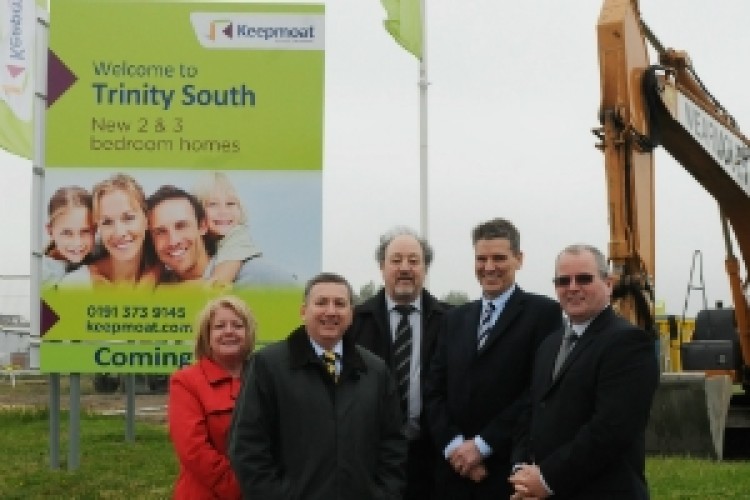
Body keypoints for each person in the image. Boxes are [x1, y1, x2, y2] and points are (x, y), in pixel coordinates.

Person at [228, 272, 407, 499]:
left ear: (351, 314)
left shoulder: (375, 371)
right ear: (303, 311)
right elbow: (247, 447)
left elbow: (393, 445)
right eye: (321, 302)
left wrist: (383, 494)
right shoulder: (268, 366)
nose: (330, 311)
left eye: (340, 304)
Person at [424, 217, 563, 499]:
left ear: (519, 259)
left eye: (499, 258)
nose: (489, 267)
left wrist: (483, 445)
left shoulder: (544, 314)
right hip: (453, 472)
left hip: (508, 469)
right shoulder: (454, 319)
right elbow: (433, 389)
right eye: (481, 258)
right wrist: (455, 448)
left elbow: (537, 391)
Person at [509, 244, 659, 499]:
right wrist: (521, 471)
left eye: (584, 279)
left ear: (608, 284)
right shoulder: (549, 345)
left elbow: (611, 430)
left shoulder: (628, 344)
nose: (572, 287)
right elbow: (531, 411)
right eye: (563, 281)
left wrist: (546, 478)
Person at [349, 227, 449, 500]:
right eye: (396, 260)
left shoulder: (451, 322)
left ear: (425, 268)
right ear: (382, 267)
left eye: (414, 261)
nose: (405, 268)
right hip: (371, 461)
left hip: (433, 461)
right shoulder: (354, 322)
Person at [168, 295, 255, 500]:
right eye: (219, 326)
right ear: (206, 335)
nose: (229, 331)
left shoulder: (266, 376)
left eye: (237, 325)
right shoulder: (186, 381)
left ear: (248, 333)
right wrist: (241, 487)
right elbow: (193, 450)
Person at [146, 185, 296, 287]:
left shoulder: (253, 275)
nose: (173, 240)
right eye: (160, 232)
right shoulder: (158, 287)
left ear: (202, 226)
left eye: (181, 226)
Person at [59, 173, 159, 288]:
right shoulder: (76, 284)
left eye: (128, 218)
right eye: (107, 222)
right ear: (98, 228)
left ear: (146, 220)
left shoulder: (167, 279)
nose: (119, 232)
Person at [193, 171, 261, 288]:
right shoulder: (204, 243)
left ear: (240, 209)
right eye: (213, 204)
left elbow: (218, 285)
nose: (223, 211)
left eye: (230, 203)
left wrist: (163, 289)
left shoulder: (238, 236)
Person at [42, 185, 95, 286]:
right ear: (50, 231)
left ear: (95, 229)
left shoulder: (100, 253)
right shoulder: (44, 274)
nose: (77, 243)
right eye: (67, 233)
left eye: (85, 231)